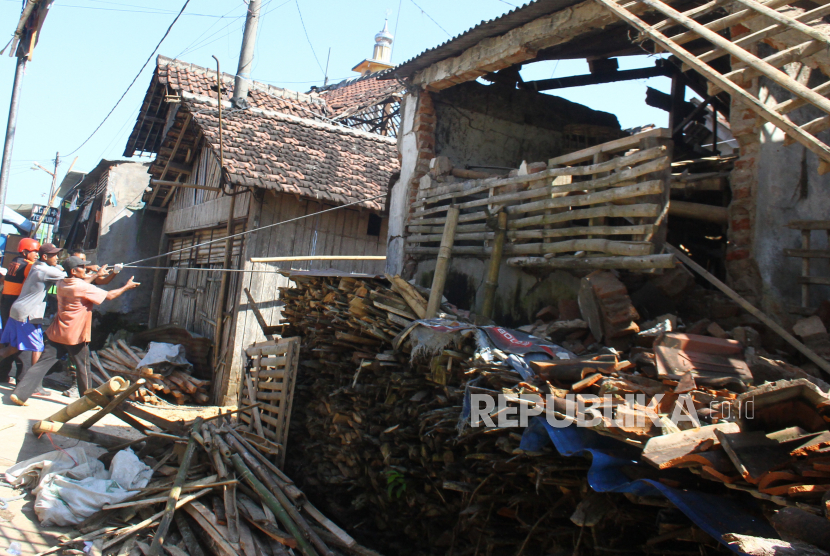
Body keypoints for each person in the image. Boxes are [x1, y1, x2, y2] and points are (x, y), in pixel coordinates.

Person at [10, 256, 140, 406]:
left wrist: (105, 273)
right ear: (73, 271)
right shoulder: (82, 287)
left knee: (42, 364)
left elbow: (82, 283)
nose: (85, 269)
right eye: (82, 267)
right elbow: (109, 296)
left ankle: (19, 394)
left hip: (57, 332)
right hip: (75, 334)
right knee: (83, 367)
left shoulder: (62, 283)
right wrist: (127, 286)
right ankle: (89, 402)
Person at [0, 243, 65, 380]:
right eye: (54, 255)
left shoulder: (20, 263)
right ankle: (32, 385)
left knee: (13, 348)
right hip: (27, 313)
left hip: (14, 307)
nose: (57, 257)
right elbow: (66, 275)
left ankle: (9, 376)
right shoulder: (41, 269)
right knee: (36, 348)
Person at [1, 238, 40, 327]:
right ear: (25, 252)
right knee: (15, 328)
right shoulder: (28, 265)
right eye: (34, 252)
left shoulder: (14, 260)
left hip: (5, 298)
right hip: (16, 299)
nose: (37, 255)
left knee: (6, 326)